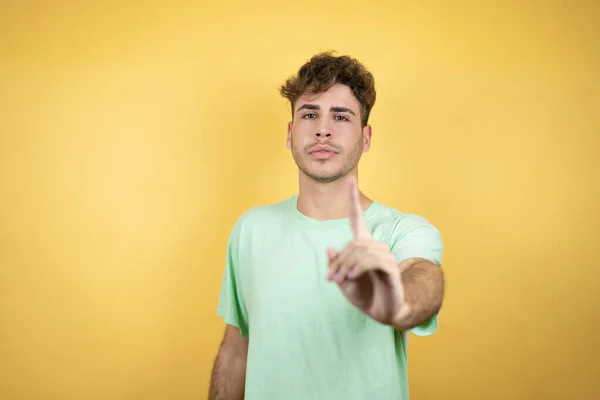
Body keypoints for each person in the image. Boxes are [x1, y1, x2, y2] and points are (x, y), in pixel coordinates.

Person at [208, 51, 445, 400]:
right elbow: (236, 349)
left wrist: (392, 298)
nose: (323, 128)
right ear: (290, 134)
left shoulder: (403, 231)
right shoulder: (251, 229)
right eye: (309, 114)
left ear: (366, 138)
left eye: (341, 116)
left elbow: (424, 284)